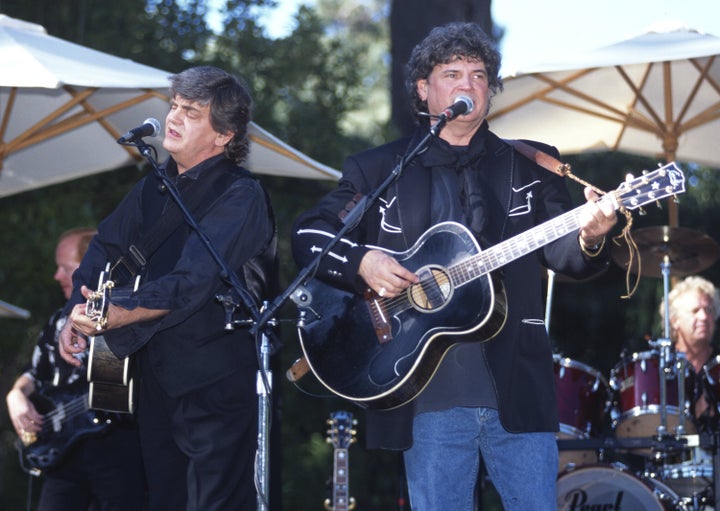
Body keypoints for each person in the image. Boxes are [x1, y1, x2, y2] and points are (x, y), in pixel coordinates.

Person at [291, 22, 617, 510]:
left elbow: (564, 256)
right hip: (424, 390)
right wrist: (363, 261)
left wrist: (592, 235)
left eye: (479, 74)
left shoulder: (533, 167)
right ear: (424, 90)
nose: (468, 85)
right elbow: (308, 237)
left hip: (518, 386)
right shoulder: (380, 170)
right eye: (452, 73)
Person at [56, 66, 278, 511]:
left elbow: (191, 282)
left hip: (216, 382)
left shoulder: (240, 195)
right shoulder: (151, 188)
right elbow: (102, 248)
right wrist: (71, 318)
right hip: (152, 378)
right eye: (174, 105)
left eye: (191, 112)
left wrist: (120, 311)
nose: (174, 117)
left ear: (224, 135)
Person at [6, 227, 146, 510]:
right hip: (62, 451)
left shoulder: (128, 312)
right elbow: (35, 372)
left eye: (65, 268)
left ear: (91, 266)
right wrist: (16, 396)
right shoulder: (58, 320)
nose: (57, 276)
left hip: (116, 446)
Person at [661, 275, 720, 423]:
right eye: (695, 311)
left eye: (709, 310)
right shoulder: (661, 367)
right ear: (675, 321)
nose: (704, 317)